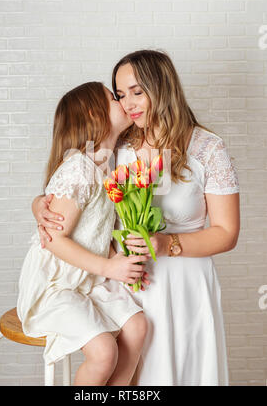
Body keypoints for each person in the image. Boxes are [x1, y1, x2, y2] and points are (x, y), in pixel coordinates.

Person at [32, 50, 240, 386]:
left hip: (185, 286)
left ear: (163, 88)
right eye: (120, 94)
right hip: (123, 284)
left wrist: (165, 243)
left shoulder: (207, 148)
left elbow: (227, 233)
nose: (128, 103)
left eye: (137, 92)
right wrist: (38, 202)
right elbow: (72, 182)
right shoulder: (117, 145)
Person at [17, 81, 149, 386]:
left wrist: (122, 262)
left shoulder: (107, 168)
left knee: (138, 327)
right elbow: (54, 241)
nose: (123, 101)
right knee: (104, 351)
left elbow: (98, 232)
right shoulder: (79, 167)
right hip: (57, 287)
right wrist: (109, 267)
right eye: (114, 97)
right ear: (94, 113)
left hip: (87, 280)